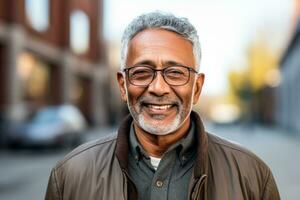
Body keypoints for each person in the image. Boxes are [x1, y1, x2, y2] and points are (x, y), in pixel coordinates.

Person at [45, 11, 280, 200]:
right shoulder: (70, 176)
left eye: (176, 73)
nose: (158, 87)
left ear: (196, 88)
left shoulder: (251, 176)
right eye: (142, 72)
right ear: (123, 85)